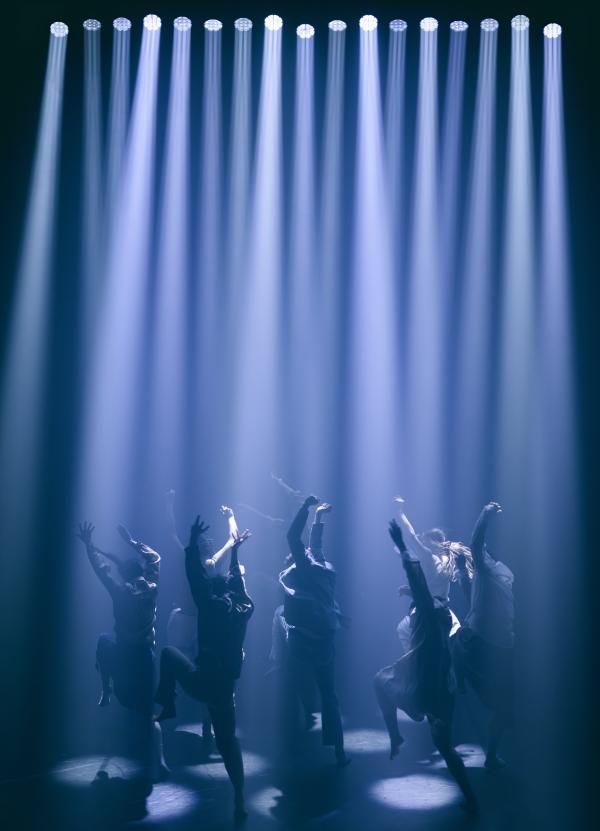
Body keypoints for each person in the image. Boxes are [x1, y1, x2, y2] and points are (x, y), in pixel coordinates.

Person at [374, 519, 478, 813]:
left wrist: (402, 546)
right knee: (445, 746)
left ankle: (395, 736)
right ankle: (472, 800)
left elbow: (418, 581)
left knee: (381, 681)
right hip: (441, 686)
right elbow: (421, 588)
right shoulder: (442, 618)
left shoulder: (430, 617)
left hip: (423, 680)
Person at [154, 515, 253, 820]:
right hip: (224, 690)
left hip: (201, 682)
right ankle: (239, 798)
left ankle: (168, 704)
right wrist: (235, 552)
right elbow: (237, 581)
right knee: (229, 744)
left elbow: (196, 580)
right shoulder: (245, 609)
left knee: (169, 653)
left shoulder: (210, 608)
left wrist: (189, 548)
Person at [77, 521, 168, 781]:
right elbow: (155, 558)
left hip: (125, 655)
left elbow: (101, 571)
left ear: (124, 575)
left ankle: (105, 690)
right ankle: (160, 761)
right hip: (145, 655)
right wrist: (131, 541)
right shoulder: (152, 587)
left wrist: (88, 546)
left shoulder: (120, 592)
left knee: (104, 642)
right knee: (147, 713)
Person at [165, 491, 241, 746]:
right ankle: (202, 723)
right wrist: (231, 517)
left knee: (187, 669)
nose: (210, 545)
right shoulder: (208, 564)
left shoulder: (199, 563)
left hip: (191, 622)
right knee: (194, 672)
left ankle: (203, 725)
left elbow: (173, 535)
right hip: (194, 623)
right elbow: (233, 541)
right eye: (207, 543)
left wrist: (170, 505)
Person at [279, 496, 349, 766]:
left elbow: (292, 536)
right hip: (323, 640)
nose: (310, 550)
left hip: (304, 641)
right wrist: (318, 518)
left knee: (294, 686)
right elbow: (315, 544)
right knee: (329, 695)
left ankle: (290, 744)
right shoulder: (322, 568)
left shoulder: (307, 569)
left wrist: (304, 509)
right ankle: (340, 753)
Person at [452, 501, 514, 770]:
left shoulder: (498, 571)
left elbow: (477, 600)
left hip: (502, 644)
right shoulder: (483, 570)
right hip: (481, 643)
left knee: (505, 707)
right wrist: (485, 514)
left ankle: (490, 756)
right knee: (498, 702)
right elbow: (476, 542)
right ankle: (458, 677)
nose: (483, 551)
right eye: (480, 551)